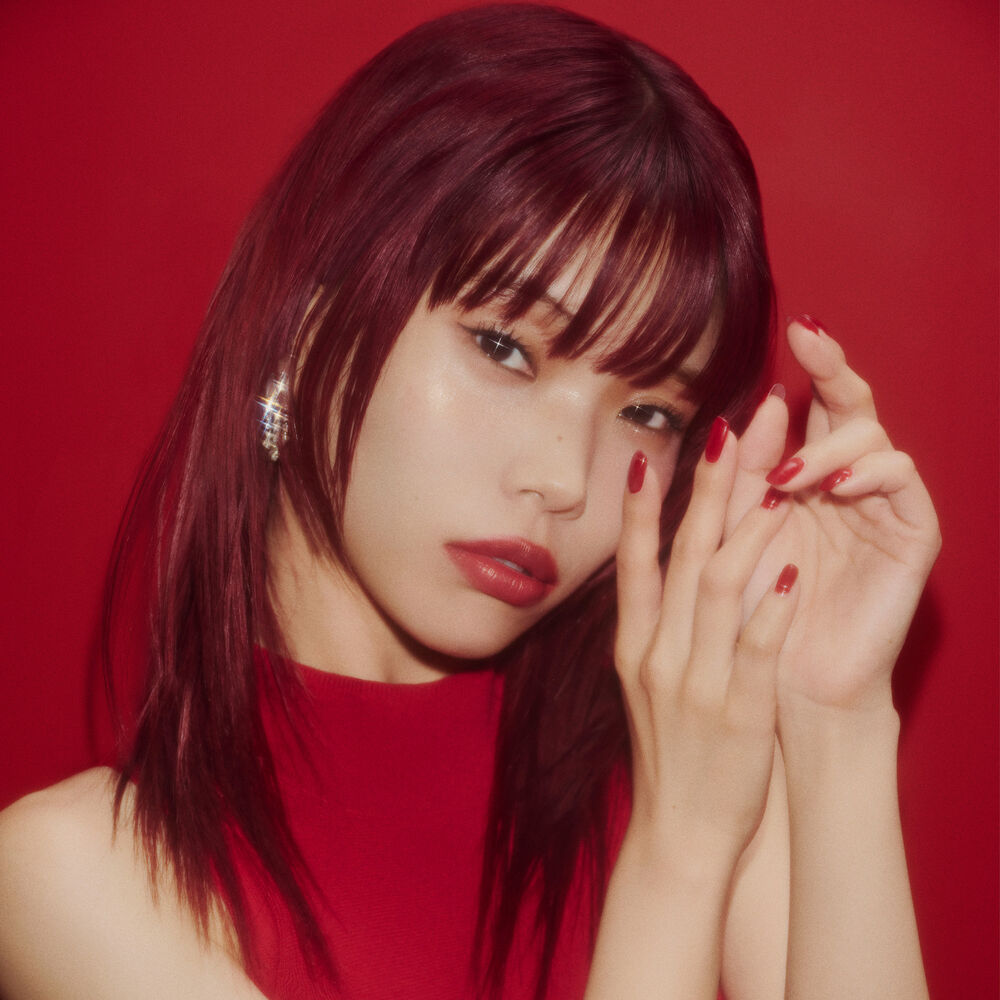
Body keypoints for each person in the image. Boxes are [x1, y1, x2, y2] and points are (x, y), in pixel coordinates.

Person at [0, 5, 939, 999]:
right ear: (307, 319)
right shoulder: (68, 879)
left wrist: (834, 719)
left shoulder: (695, 758)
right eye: (505, 349)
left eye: (649, 413)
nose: (565, 479)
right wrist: (678, 859)